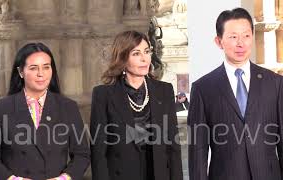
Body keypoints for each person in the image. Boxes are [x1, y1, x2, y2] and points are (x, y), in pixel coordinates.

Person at [188, 7, 283, 180]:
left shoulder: (275, 83)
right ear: (219, 41)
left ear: (252, 37)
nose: (241, 43)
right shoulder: (203, 88)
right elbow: (198, 150)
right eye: (233, 37)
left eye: (246, 36)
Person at [0, 43, 90, 180]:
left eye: (46, 67)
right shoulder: (1, 108)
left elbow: (82, 154)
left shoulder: (68, 107)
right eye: (33, 68)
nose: (41, 74)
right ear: (20, 72)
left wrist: (63, 179)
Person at [90, 30, 183, 180]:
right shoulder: (103, 95)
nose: (144, 59)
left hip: (158, 174)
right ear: (122, 58)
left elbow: (173, 147)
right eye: (136, 53)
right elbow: (99, 152)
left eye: (146, 52)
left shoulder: (164, 90)